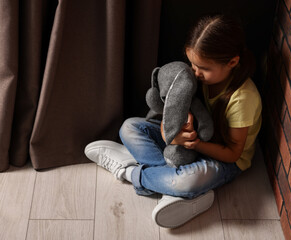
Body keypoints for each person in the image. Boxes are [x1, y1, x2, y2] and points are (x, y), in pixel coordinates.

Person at [85, 15, 262, 228]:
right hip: (186, 144)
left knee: (187, 181)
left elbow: (233, 153)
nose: (196, 73)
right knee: (129, 127)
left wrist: (194, 144)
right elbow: (172, 113)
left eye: (203, 68)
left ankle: (129, 171)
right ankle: (171, 188)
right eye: (192, 65)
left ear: (232, 62)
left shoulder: (243, 99)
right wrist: (169, 130)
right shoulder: (198, 79)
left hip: (223, 160)